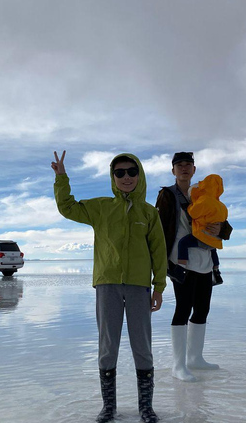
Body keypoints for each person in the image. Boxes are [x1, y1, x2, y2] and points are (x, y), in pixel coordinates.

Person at [52, 150, 167, 423]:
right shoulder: (101, 207)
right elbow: (67, 208)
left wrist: (159, 287)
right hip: (107, 284)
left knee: (142, 345)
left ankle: (146, 408)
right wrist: (61, 178)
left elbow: (158, 251)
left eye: (131, 172)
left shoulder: (149, 213)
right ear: (113, 178)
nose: (126, 177)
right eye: (120, 173)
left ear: (140, 175)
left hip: (139, 286)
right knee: (108, 346)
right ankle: (108, 408)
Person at [155, 152, 232, 382]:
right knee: (183, 308)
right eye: (179, 165)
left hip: (206, 261)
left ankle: (195, 358)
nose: (184, 168)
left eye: (188, 165)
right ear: (173, 171)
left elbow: (222, 222)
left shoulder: (205, 192)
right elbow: (158, 227)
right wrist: (160, 262)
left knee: (202, 309)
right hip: (181, 262)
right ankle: (178, 365)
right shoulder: (167, 195)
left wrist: (222, 231)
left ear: (194, 169)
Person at [175, 174, 227, 285]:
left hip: (202, 235)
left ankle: (180, 269)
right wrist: (221, 228)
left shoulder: (203, 200)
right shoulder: (221, 205)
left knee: (183, 243)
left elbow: (193, 213)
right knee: (213, 250)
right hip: (214, 240)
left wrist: (190, 206)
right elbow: (224, 220)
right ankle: (216, 271)